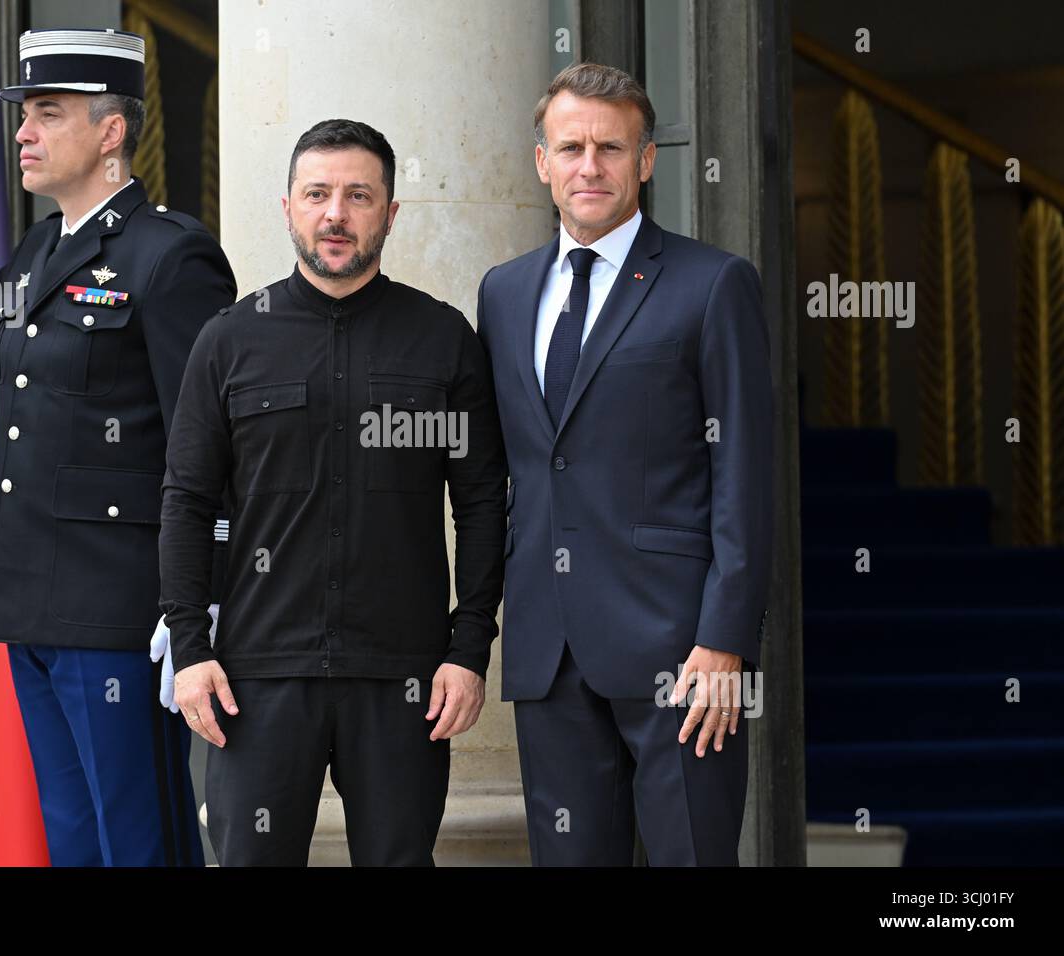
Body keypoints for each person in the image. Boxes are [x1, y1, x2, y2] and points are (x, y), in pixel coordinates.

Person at [0, 28, 236, 866]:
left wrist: (200, 607)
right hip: (32, 596)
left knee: (138, 838)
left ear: (111, 131)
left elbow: (212, 444)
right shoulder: (45, 248)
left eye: (47, 113)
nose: (23, 134)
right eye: (24, 115)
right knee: (75, 837)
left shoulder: (170, 256)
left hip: (120, 608)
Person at [159, 119, 507, 866]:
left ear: (390, 212)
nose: (336, 215)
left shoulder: (443, 340)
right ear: (288, 206)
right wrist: (190, 648)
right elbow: (186, 501)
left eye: (358, 195)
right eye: (317, 194)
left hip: (405, 681)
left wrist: (469, 647)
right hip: (257, 677)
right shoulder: (228, 341)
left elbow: (481, 502)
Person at [475, 62, 774, 866]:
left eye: (612, 147)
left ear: (645, 161)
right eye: (570, 146)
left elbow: (744, 476)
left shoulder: (713, 285)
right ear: (542, 160)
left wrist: (724, 641)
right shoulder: (503, 294)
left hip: (681, 653)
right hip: (548, 649)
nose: (589, 166)